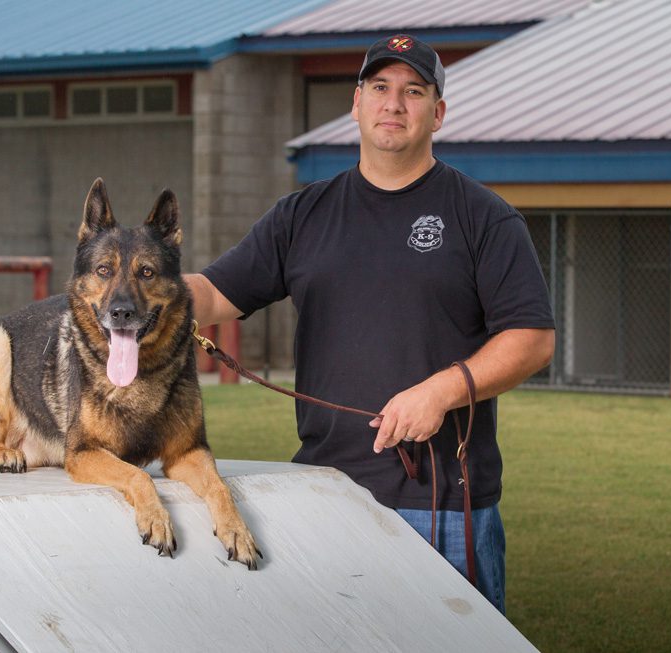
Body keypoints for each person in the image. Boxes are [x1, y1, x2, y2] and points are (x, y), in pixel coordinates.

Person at [185, 34, 555, 613]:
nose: (394, 104)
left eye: (413, 91)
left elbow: (531, 338)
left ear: (438, 113)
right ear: (356, 104)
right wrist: (141, 287)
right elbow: (212, 295)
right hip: (325, 494)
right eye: (379, 88)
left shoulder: (483, 217)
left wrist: (441, 390)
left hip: (442, 505)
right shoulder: (301, 215)